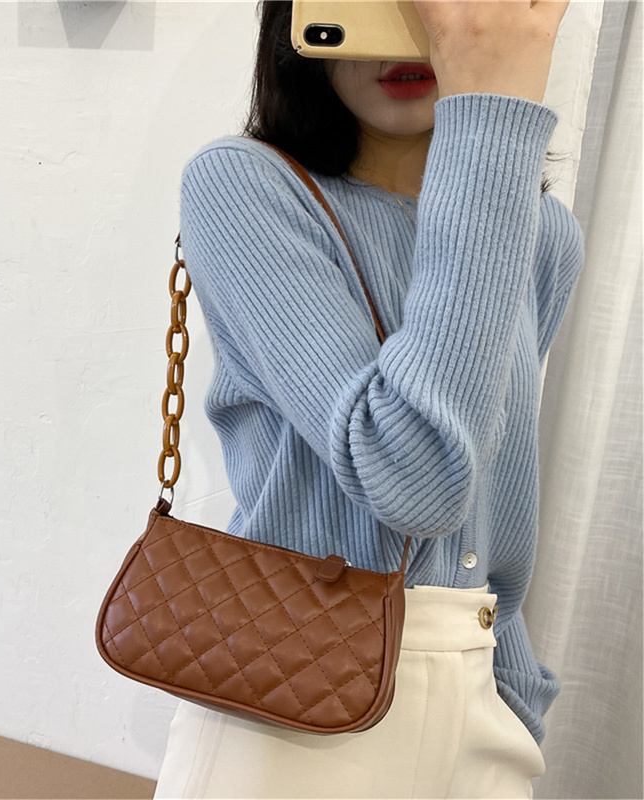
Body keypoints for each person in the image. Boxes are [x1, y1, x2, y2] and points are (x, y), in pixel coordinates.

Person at [153, 0, 583, 797]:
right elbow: (415, 477)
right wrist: (492, 113)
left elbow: (496, 484)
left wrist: (515, 697)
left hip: (480, 705)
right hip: (292, 700)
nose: (414, 24)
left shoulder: (543, 234)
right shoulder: (246, 185)